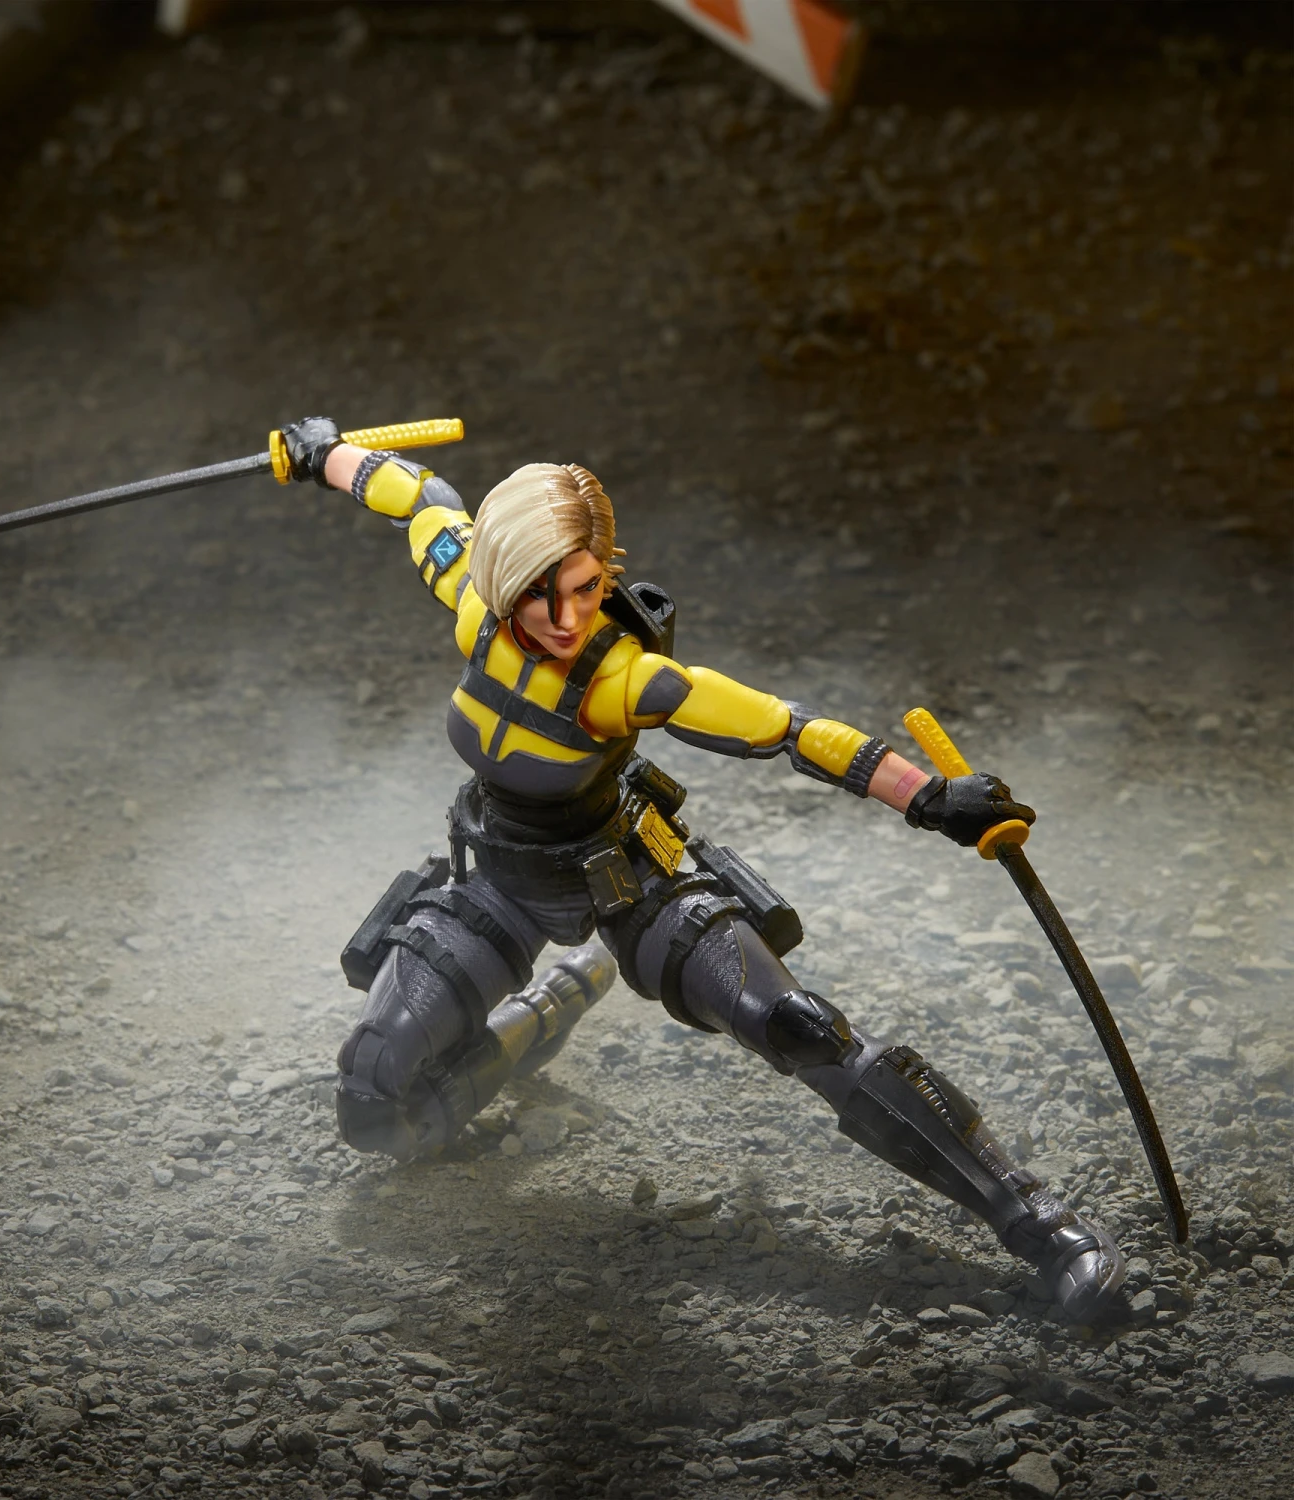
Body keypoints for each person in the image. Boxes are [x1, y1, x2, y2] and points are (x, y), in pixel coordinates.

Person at [281, 417, 1126, 1322]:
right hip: (499, 879)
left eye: (586, 588)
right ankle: (545, 1013)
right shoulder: (469, 602)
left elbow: (786, 728)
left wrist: (930, 797)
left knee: (800, 1026)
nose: (567, 619)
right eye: (538, 594)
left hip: (624, 879)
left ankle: (1041, 1224)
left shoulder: (625, 680)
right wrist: (323, 452)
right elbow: (419, 498)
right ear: (498, 577)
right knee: (373, 1093)